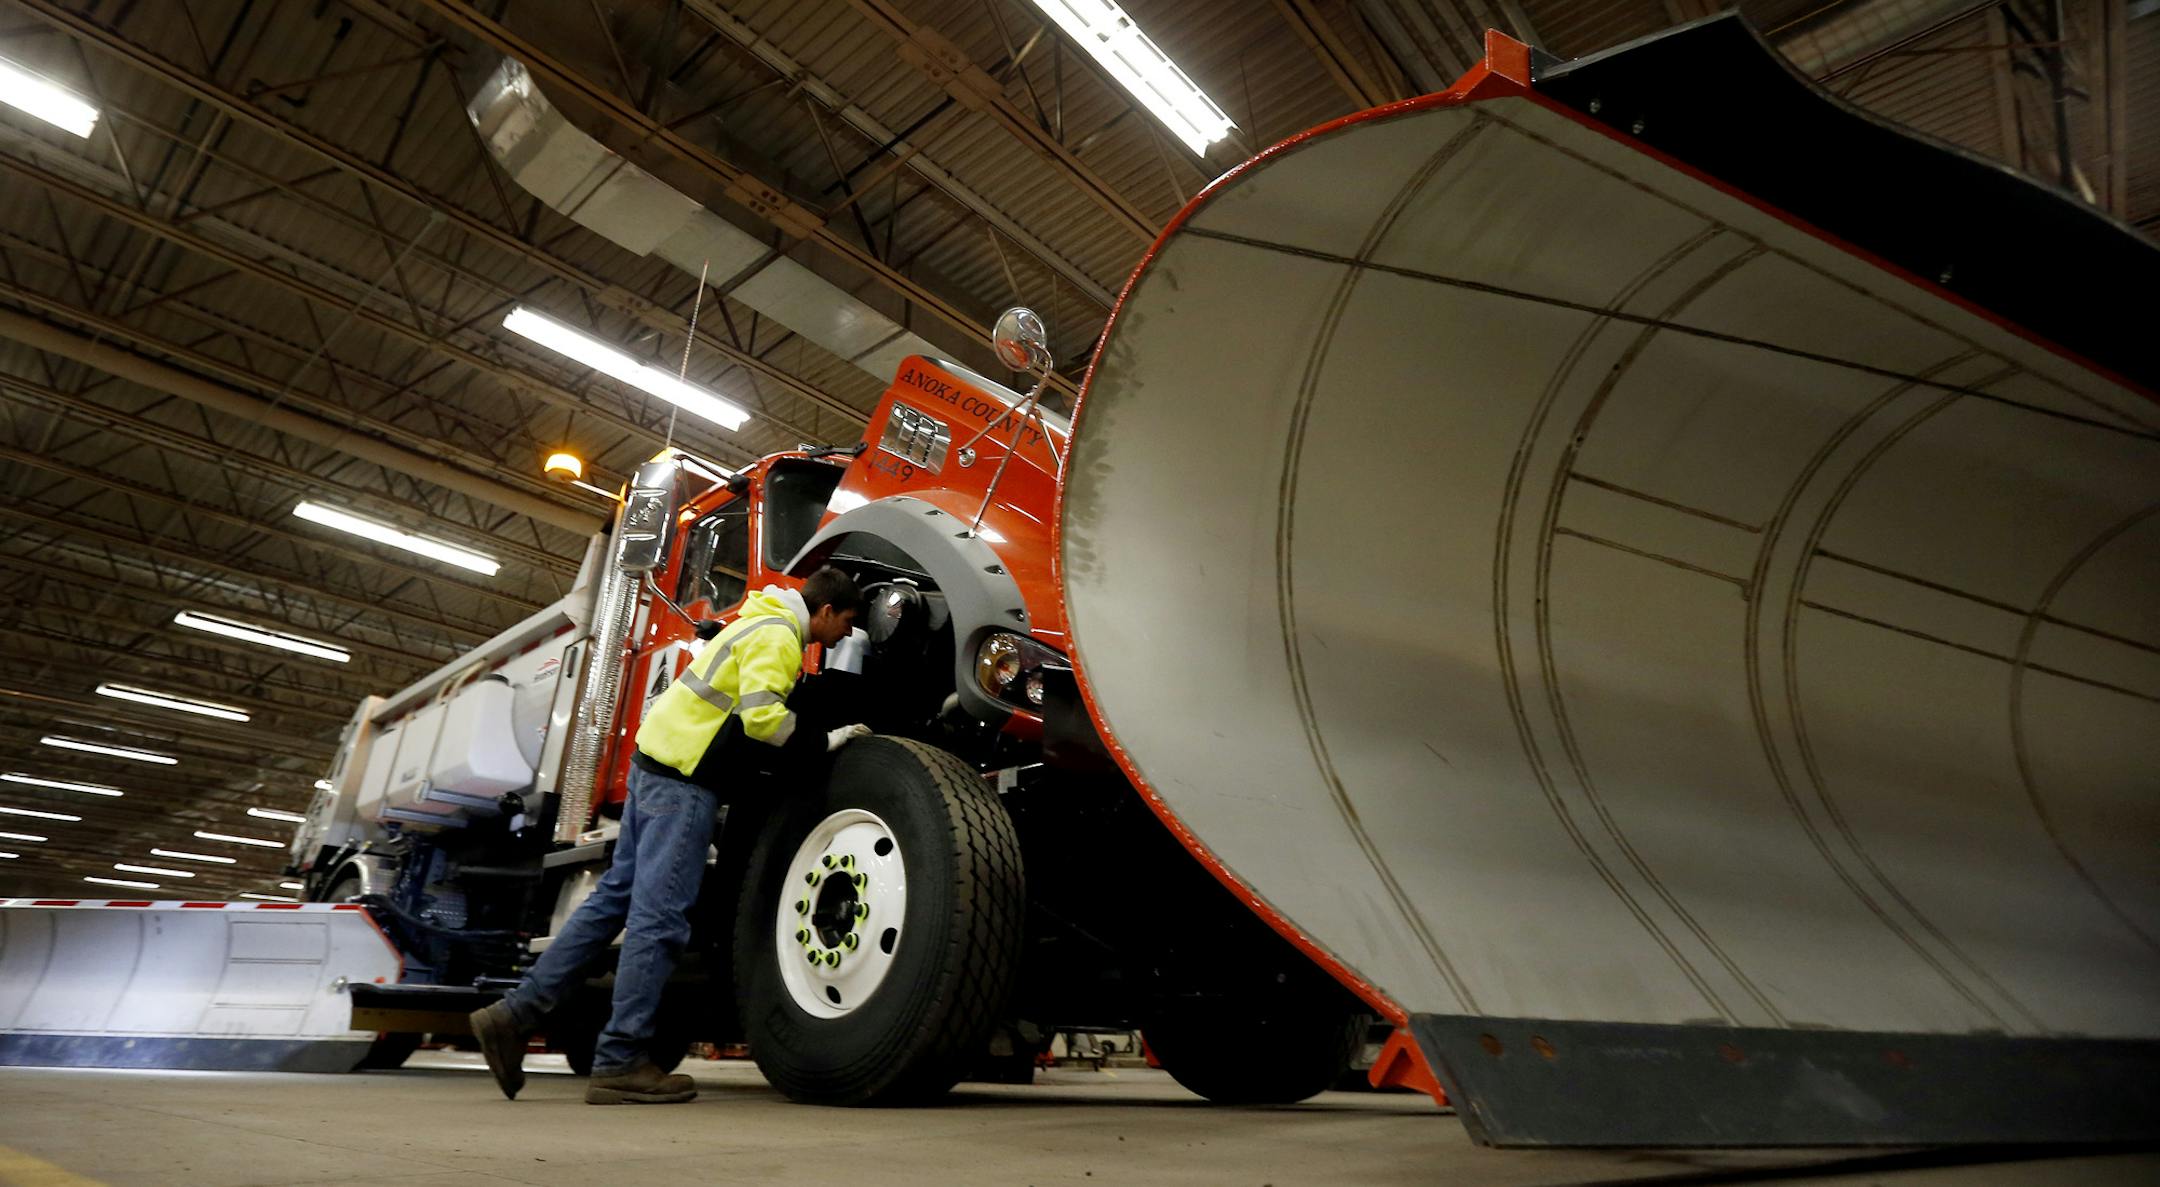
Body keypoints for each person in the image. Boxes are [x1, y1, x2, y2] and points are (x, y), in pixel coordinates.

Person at [471, 566, 868, 1104]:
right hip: (684, 781)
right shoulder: (779, 638)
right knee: (658, 922)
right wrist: (829, 741)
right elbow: (763, 721)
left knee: (613, 900)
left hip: (653, 766)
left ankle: (514, 1014)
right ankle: (619, 1060)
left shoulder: (757, 622)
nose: (846, 633)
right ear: (824, 611)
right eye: (846, 621)